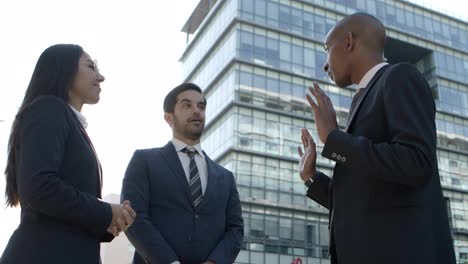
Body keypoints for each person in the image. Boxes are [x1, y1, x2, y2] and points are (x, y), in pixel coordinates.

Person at [297, 13, 455, 264]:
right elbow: (361, 203)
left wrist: (334, 140)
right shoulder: (361, 100)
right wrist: (312, 177)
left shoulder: (399, 77)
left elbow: (416, 162)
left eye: (327, 50)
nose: (325, 65)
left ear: (348, 42)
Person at [1, 44, 136, 264]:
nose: (100, 77)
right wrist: (106, 211)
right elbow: (39, 186)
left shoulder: (65, 120)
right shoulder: (48, 108)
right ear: (63, 70)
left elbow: (62, 207)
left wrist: (110, 222)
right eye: (91, 66)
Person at [121, 83, 244, 264]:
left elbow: (235, 229)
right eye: (187, 105)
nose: (196, 111)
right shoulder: (144, 161)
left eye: (201, 106)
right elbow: (134, 218)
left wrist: (214, 262)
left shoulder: (226, 177)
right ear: (169, 118)